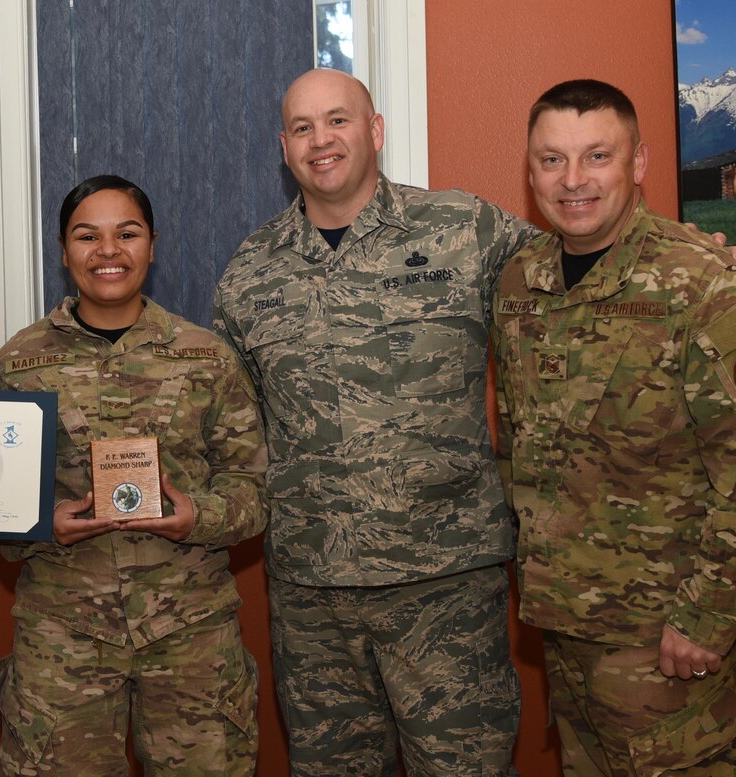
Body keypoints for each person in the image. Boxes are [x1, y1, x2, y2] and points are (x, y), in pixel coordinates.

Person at [213, 67, 535, 777]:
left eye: (338, 119)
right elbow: (228, 427)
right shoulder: (249, 273)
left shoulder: (463, 229)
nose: (320, 139)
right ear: (284, 148)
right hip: (314, 598)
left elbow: (576, 280)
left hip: (445, 587)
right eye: (302, 127)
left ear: (376, 130)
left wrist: (678, 261)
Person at [492, 79, 736, 776]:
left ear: (639, 162)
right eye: (552, 160)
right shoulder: (521, 283)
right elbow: (520, 439)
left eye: (597, 156)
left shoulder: (707, 285)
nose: (574, 180)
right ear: (530, 173)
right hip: (567, 625)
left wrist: (709, 616)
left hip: (670, 639)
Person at [0, 175, 267, 776]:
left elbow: (253, 488)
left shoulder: (206, 356)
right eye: (88, 236)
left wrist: (200, 516)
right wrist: (39, 525)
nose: (108, 251)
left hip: (190, 634)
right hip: (64, 640)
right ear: (64, 250)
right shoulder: (19, 365)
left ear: (153, 245)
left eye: (127, 234)